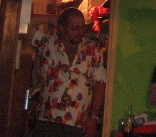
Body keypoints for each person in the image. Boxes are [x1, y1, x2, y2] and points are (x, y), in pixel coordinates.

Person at [29, 7, 106, 137]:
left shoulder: (93, 51)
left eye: (82, 27)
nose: (80, 32)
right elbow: (23, 21)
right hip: (47, 120)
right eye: (75, 28)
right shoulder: (47, 43)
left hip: (77, 123)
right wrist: (49, 18)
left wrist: (93, 117)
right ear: (62, 28)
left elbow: (100, 84)